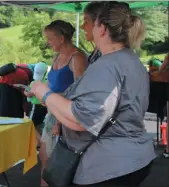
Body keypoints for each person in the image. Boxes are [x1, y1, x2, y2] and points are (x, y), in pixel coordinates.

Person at [29, 2, 156, 186]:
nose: (84, 27)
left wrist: (44, 93)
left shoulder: (108, 66)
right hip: (130, 159)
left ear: (102, 28)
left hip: (108, 166)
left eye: (91, 22)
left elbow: (83, 120)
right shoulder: (130, 59)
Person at [25, 20, 88, 186]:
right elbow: (51, 85)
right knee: (45, 157)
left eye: (50, 38)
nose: (48, 42)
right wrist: (35, 91)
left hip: (66, 117)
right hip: (53, 114)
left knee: (60, 162)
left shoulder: (78, 58)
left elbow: (81, 94)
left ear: (61, 38)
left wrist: (59, 117)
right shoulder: (58, 56)